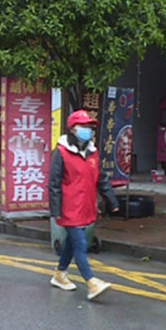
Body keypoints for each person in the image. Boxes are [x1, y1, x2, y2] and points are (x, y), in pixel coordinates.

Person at [48, 110, 118, 300]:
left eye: (89, 127)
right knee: (80, 243)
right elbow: (53, 183)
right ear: (72, 129)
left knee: (72, 242)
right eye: (83, 127)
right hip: (68, 208)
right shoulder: (61, 152)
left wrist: (112, 200)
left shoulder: (93, 153)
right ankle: (91, 282)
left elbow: (100, 178)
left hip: (86, 206)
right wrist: (56, 210)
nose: (87, 130)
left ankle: (59, 274)